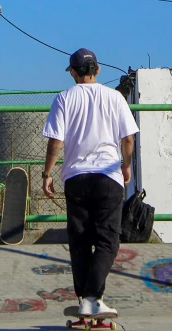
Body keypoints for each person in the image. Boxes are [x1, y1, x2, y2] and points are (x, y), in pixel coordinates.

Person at [42, 48, 139, 319]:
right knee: (108, 240)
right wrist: (126, 165)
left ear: (73, 72)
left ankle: (87, 297)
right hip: (109, 177)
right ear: (97, 70)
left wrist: (47, 174)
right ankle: (93, 297)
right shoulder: (115, 98)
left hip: (75, 178)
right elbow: (128, 139)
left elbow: (55, 142)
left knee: (80, 239)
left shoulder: (63, 98)